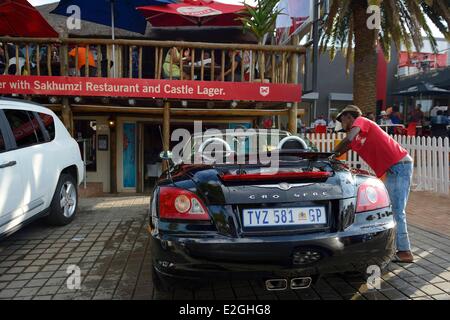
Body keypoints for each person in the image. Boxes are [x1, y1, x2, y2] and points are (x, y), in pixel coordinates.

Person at [332, 105, 414, 263]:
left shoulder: (362, 121)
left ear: (350, 117)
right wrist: (331, 157)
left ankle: (405, 252)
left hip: (400, 165)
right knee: (392, 210)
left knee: (397, 211)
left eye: (342, 119)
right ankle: (397, 247)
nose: (341, 124)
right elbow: (344, 148)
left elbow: (347, 140)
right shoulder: (355, 138)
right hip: (393, 169)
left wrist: (331, 154)